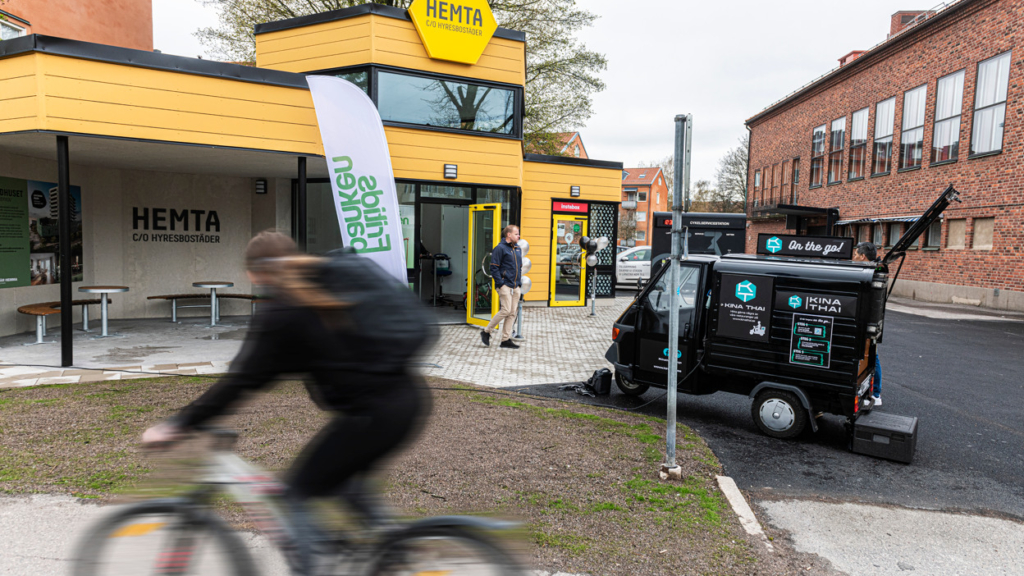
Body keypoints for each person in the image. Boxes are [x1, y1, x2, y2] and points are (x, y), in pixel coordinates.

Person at [142, 231, 430, 574]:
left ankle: (330, 565)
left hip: (373, 415)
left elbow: (241, 382)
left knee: (296, 494)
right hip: (404, 400)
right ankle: (396, 548)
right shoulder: (320, 286)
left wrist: (178, 424)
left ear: (253, 273)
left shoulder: (283, 312)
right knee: (345, 484)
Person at [481, 224, 523, 349]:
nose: (518, 236)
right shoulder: (499, 248)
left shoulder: (518, 249)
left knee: (512, 313)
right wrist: (500, 283)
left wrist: (519, 284)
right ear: (509, 235)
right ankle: (486, 331)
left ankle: (505, 340)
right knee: (506, 310)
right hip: (504, 284)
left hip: (515, 285)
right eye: (516, 234)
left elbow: (519, 268)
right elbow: (493, 267)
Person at [853, 241, 882, 406]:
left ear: (863, 256)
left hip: (868, 323)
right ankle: (872, 392)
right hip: (869, 322)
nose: (854, 257)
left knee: (872, 357)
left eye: (856, 254)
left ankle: (876, 394)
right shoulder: (873, 269)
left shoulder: (872, 273)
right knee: (869, 356)